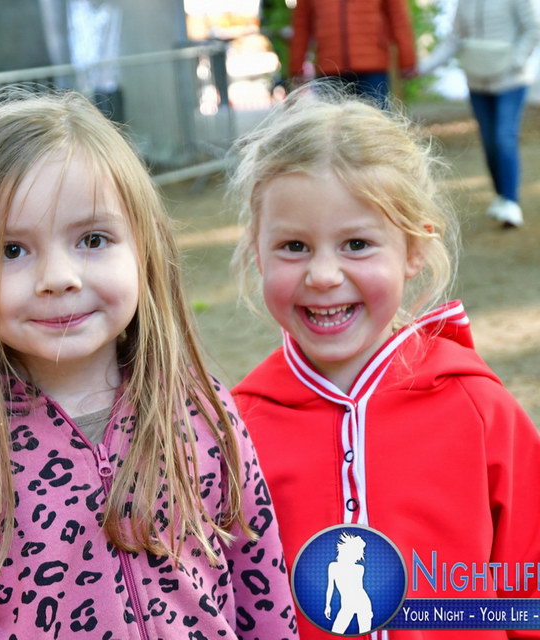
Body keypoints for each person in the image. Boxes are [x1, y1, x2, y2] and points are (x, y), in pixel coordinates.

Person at [0, 89, 298, 640]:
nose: (58, 277)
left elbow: (261, 585)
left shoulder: (202, 412)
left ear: (143, 247)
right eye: (12, 250)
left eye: (92, 239)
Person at [230, 87, 540, 639]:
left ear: (414, 249)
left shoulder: (480, 409)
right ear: (257, 250)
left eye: (356, 244)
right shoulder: (232, 432)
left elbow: (527, 600)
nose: (324, 275)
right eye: (294, 246)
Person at [418, 0, 540, 228]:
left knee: (504, 137)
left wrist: (516, 60)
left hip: (512, 81)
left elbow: (534, 28)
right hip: (477, 82)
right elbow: (454, 39)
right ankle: (501, 195)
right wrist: (422, 67)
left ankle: (511, 201)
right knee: (489, 141)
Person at [288, 0, 417, 106]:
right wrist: (296, 66)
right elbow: (301, 24)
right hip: (330, 69)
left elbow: (398, 17)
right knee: (329, 125)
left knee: (374, 123)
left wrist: (407, 60)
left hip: (372, 68)